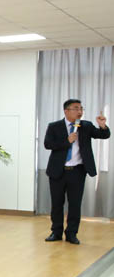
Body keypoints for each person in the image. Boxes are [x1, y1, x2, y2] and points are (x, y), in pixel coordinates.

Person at [43, 99, 109, 244]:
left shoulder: (86, 126)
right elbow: (48, 144)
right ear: (66, 111)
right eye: (76, 108)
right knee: (57, 203)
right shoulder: (54, 126)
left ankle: (72, 233)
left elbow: (103, 135)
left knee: (75, 204)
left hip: (77, 171)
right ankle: (56, 232)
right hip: (57, 171)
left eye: (81, 108)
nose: (80, 111)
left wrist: (103, 126)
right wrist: (67, 141)